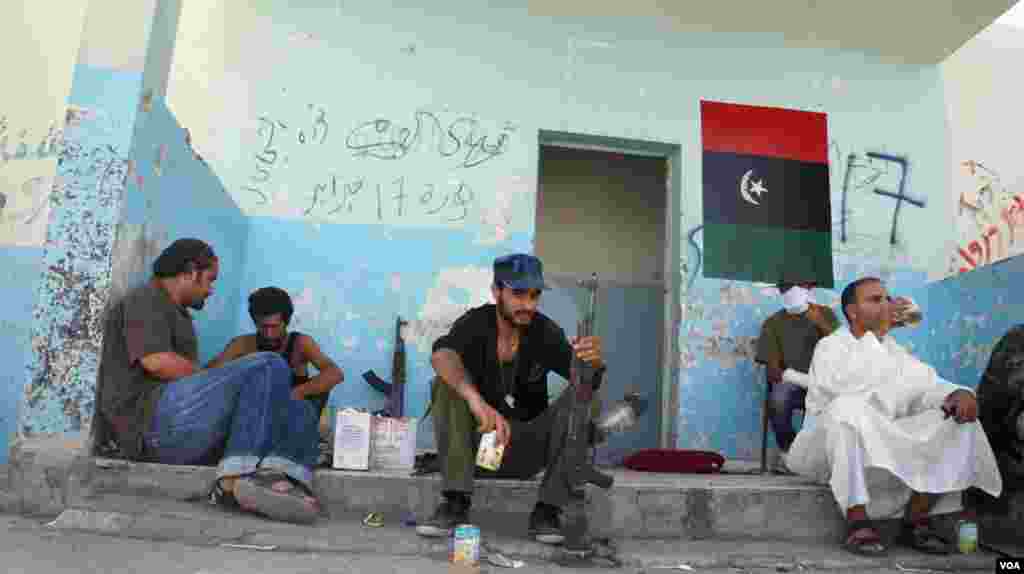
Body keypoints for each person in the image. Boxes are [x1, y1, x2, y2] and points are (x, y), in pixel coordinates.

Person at [95, 238, 322, 524]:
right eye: (209, 280)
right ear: (191, 271)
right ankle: (231, 482)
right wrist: (218, 380)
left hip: (182, 425)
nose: (211, 289)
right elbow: (157, 362)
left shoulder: (179, 314)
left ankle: (278, 477)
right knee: (268, 364)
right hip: (151, 427)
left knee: (299, 407)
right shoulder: (147, 299)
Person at [416, 253, 632, 544]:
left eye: (534, 295)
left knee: (583, 396)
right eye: (518, 294)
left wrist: (590, 364)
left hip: (527, 452)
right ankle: (455, 503)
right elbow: (442, 355)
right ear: (496, 292)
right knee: (444, 385)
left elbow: (584, 381)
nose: (527, 305)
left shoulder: (544, 331)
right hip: (480, 451)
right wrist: (475, 401)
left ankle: (547, 510)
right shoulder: (475, 323)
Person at [786, 277, 1002, 556]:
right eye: (875, 300)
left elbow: (926, 385)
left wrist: (959, 393)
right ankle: (857, 520)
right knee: (847, 408)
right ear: (852, 311)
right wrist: (877, 336)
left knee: (957, 421)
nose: (886, 305)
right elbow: (847, 388)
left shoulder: (895, 352)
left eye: (886, 299)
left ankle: (915, 519)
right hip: (830, 447)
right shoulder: (830, 347)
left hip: (882, 442)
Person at [207, 286, 344, 429]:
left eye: (274, 327)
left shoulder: (301, 343)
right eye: (263, 327)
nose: (268, 334)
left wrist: (294, 394)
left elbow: (335, 374)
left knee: (318, 390)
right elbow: (210, 375)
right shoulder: (241, 344)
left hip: (291, 421)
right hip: (255, 419)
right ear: (255, 322)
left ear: (286, 322)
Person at [755, 281, 840, 467]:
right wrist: (798, 379)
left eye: (798, 285)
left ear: (808, 287)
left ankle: (822, 458)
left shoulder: (825, 315)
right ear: (779, 290)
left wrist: (821, 324)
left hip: (827, 384)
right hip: (794, 386)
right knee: (778, 398)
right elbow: (774, 372)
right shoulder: (773, 324)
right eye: (786, 287)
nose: (792, 291)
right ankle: (790, 453)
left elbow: (843, 350)